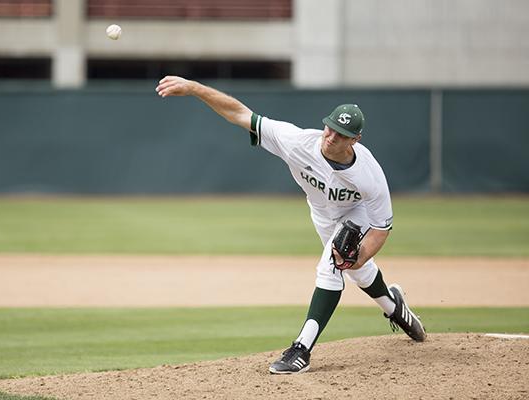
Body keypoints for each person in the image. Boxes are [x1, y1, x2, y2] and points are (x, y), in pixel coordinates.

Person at [155, 76, 426, 374]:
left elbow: (381, 228)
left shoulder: (369, 176)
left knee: (332, 267)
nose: (332, 136)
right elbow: (239, 114)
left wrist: (358, 254)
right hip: (322, 214)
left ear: (355, 140)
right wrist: (194, 88)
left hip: (356, 213)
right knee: (358, 275)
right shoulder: (297, 142)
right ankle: (396, 308)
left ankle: (301, 350)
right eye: (330, 127)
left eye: (341, 134)